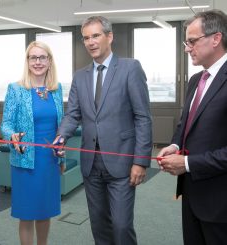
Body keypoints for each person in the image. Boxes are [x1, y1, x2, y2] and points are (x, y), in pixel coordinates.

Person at [55, 16, 152, 245]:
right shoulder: (80, 76)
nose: (90, 42)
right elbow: (73, 114)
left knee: (121, 225)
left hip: (122, 162)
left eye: (95, 35)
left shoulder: (130, 68)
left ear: (109, 36)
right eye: (86, 38)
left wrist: (140, 161)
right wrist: (61, 136)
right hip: (91, 163)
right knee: (99, 224)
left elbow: (143, 118)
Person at [157, 10, 227, 245]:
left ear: (216, 39)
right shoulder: (196, 80)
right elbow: (185, 125)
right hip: (191, 195)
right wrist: (175, 145)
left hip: (221, 201)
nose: (187, 48)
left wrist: (186, 163)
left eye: (192, 41)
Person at [0, 41, 64, 245]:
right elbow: (6, 124)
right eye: (33, 57)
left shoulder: (56, 89)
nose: (38, 62)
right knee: (27, 213)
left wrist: (62, 157)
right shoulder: (16, 89)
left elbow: (60, 125)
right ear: (27, 61)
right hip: (25, 160)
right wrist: (12, 136)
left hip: (50, 160)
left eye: (42, 57)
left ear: (49, 61)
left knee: (45, 211)